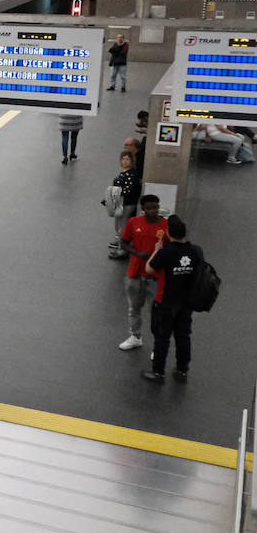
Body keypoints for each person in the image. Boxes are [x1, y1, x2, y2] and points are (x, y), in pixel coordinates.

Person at [141, 216, 205, 382]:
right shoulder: (195, 251)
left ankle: (158, 373)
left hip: (166, 303)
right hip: (186, 303)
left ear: (168, 234)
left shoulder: (166, 252)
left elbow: (149, 268)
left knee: (162, 338)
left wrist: (156, 249)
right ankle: (182, 370)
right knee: (183, 337)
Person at [117, 194, 167, 351]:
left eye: (156, 207)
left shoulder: (166, 225)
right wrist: (138, 253)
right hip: (135, 274)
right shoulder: (134, 222)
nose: (153, 211)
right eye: (149, 208)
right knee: (134, 307)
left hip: (156, 276)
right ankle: (135, 336)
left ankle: (157, 346)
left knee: (157, 311)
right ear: (143, 209)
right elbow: (123, 243)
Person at [107, 151, 140, 259]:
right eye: (123, 159)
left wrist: (116, 193)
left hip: (127, 204)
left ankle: (122, 250)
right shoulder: (124, 173)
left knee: (123, 226)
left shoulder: (131, 174)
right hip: (120, 203)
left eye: (127, 159)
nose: (124, 161)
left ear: (131, 161)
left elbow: (129, 190)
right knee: (118, 225)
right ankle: (120, 245)